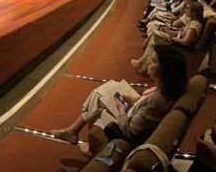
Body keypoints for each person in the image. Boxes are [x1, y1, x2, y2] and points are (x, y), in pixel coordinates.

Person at [51, 43, 187, 157]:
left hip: (127, 121)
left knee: (99, 99)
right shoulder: (165, 88)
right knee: (110, 85)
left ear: (165, 70)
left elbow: (130, 130)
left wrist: (121, 107)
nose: (148, 63)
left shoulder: (158, 101)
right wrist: (130, 98)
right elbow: (144, 105)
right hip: (136, 109)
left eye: (154, 61)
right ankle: (74, 131)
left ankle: (75, 133)